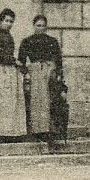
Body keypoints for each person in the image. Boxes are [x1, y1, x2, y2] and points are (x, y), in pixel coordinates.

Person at [19, 13, 68, 149]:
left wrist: (58, 75)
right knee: (36, 101)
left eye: (43, 26)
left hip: (49, 72)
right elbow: (21, 61)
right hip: (35, 73)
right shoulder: (27, 41)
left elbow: (58, 61)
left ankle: (49, 131)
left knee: (49, 101)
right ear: (34, 26)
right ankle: (36, 131)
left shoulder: (52, 41)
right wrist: (26, 73)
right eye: (38, 25)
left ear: (46, 27)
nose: (40, 28)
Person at [0, 8, 30, 142]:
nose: (8, 24)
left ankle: (8, 132)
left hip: (9, 71)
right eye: (6, 21)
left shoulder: (9, 36)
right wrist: (14, 61)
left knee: (10, 102)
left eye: (11, 21)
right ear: (1, 21)